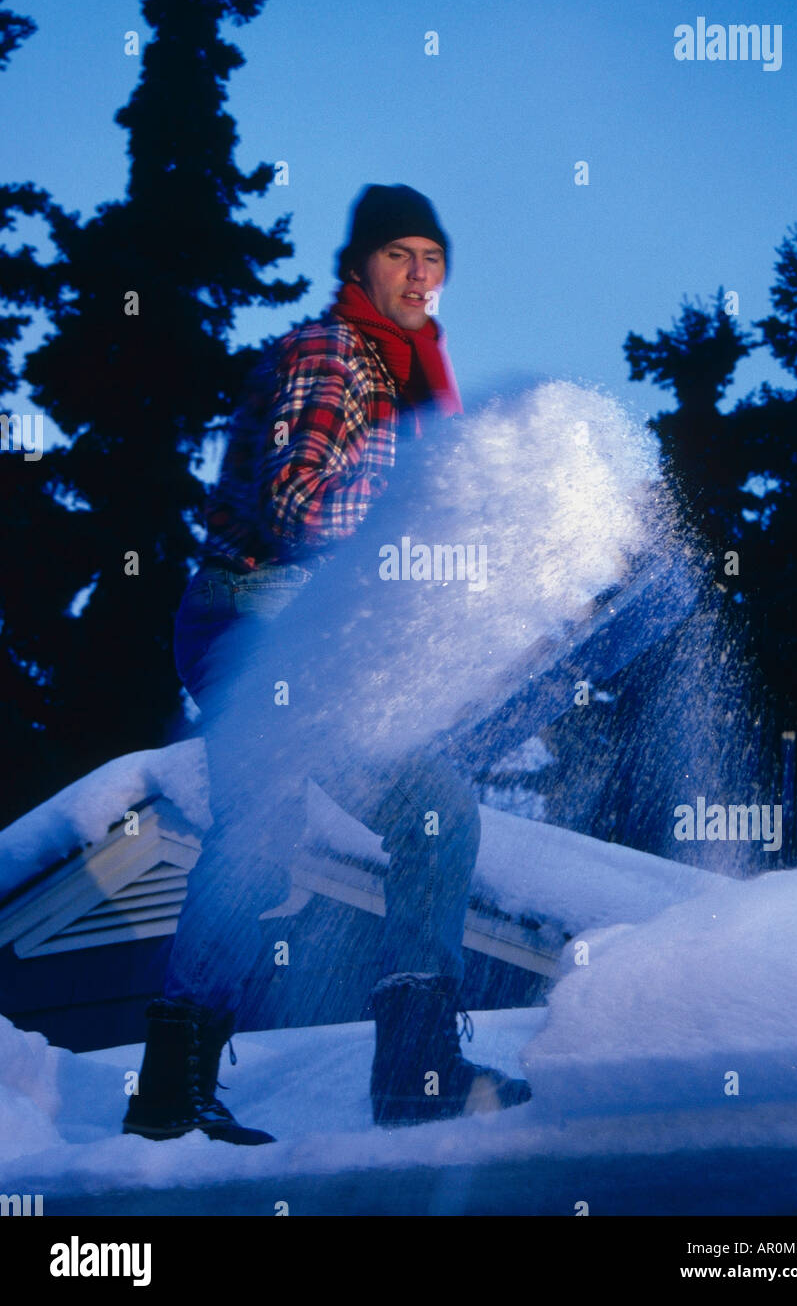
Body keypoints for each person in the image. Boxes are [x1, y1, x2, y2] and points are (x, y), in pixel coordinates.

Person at [122, 185, 531, 1144]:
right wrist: (418, 487)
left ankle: (413, 1068)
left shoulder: (414, 380)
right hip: (251, 615)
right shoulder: (333, 353)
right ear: (358, 267)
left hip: (317, 636)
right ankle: (170, 1091)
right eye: (398, 253)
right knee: (261, 824)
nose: (419, 273)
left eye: (433, 257)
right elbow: (300, 506)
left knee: (435, 809)